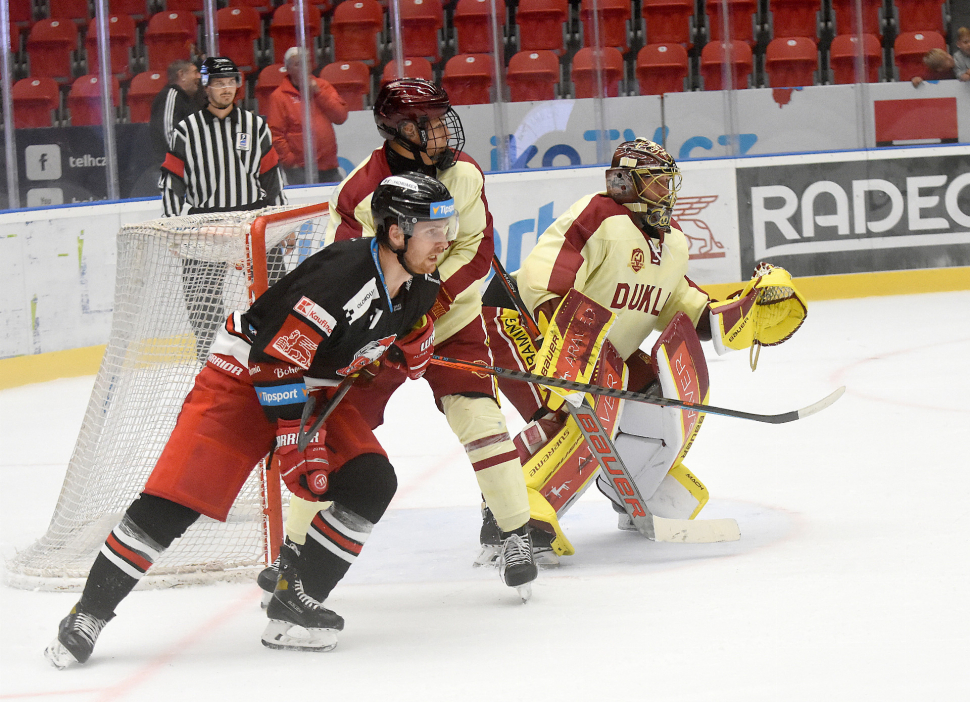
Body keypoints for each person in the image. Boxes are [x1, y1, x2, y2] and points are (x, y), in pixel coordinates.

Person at [44, 172, 455, 667]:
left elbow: (371, 351)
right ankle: (86, 614)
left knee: (370, 481)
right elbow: (273, 361)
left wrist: (407, 348)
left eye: (447, 227)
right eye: (433, 230)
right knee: (173, 502)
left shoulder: (421, 287)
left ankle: (294, 605)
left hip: (312, 388)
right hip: (242, 380)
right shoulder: (339, 275)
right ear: (395, 232)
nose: (445, 239)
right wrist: (296, 442)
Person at [258, 78, 538, 599]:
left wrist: (431, 301)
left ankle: (516, 533)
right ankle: (293, 551)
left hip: (451, 324)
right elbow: (351, 269)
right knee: (329, 434)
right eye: (424, 122)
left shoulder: (465, 174)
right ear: (395, 130)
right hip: (379, 335)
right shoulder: (360, 191)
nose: (438, 130)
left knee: (482, 419)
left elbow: (476, 250)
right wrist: (392, 320)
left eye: (438, 118)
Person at [484, 139, 807, 564]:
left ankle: (636, 484)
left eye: (668, 184)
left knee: (658, 393)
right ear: (626, 183)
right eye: (657, 184)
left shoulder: (671, 243)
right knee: (563, 408)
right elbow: (548, 279)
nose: (667, 194)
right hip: (523, 323)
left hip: (597, 347)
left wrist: (744, 314)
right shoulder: (598, 215)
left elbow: (686, 308)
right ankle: (507, 511)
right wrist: (569, 356)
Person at [160, 56, 288, 361]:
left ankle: (275, 358)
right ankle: (212, 361)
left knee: (277, 295)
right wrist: (172, 223)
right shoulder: (186, 130)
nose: (226, 89)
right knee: (201, 304)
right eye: (219, 83)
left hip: (253, 220)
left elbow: (272, 177)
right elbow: (172, 180)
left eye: (231, 82)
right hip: (206, 224)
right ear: (206, 86)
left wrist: (281, 220)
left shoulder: (255, 126)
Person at [266, 47, 349, 185]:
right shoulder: (279, 96)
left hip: (328, 164)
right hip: (299, 168)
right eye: (298, 64)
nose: (303, 67)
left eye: (306, 62)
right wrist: (289, 161)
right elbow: (275, 133)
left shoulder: (323, 86)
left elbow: (340, 117)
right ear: (288, 68)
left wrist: (318, 93)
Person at [149, 59, 204, 166]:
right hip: (174, 167)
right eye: (194, 72)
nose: (199, 76)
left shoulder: (188, 100)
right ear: (181, 75)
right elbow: (167, 130)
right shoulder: (171, 95)